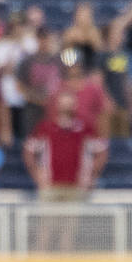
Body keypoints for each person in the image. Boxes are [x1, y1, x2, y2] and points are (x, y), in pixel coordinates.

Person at [25, 92, 109, 249]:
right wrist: (37, 173)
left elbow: (101, 151)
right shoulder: (45, 127)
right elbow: (29, 151)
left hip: (74, 187)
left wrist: (91, 175)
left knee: (68, 230)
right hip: (50, 186)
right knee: (45, 227)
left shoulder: (84, 128)